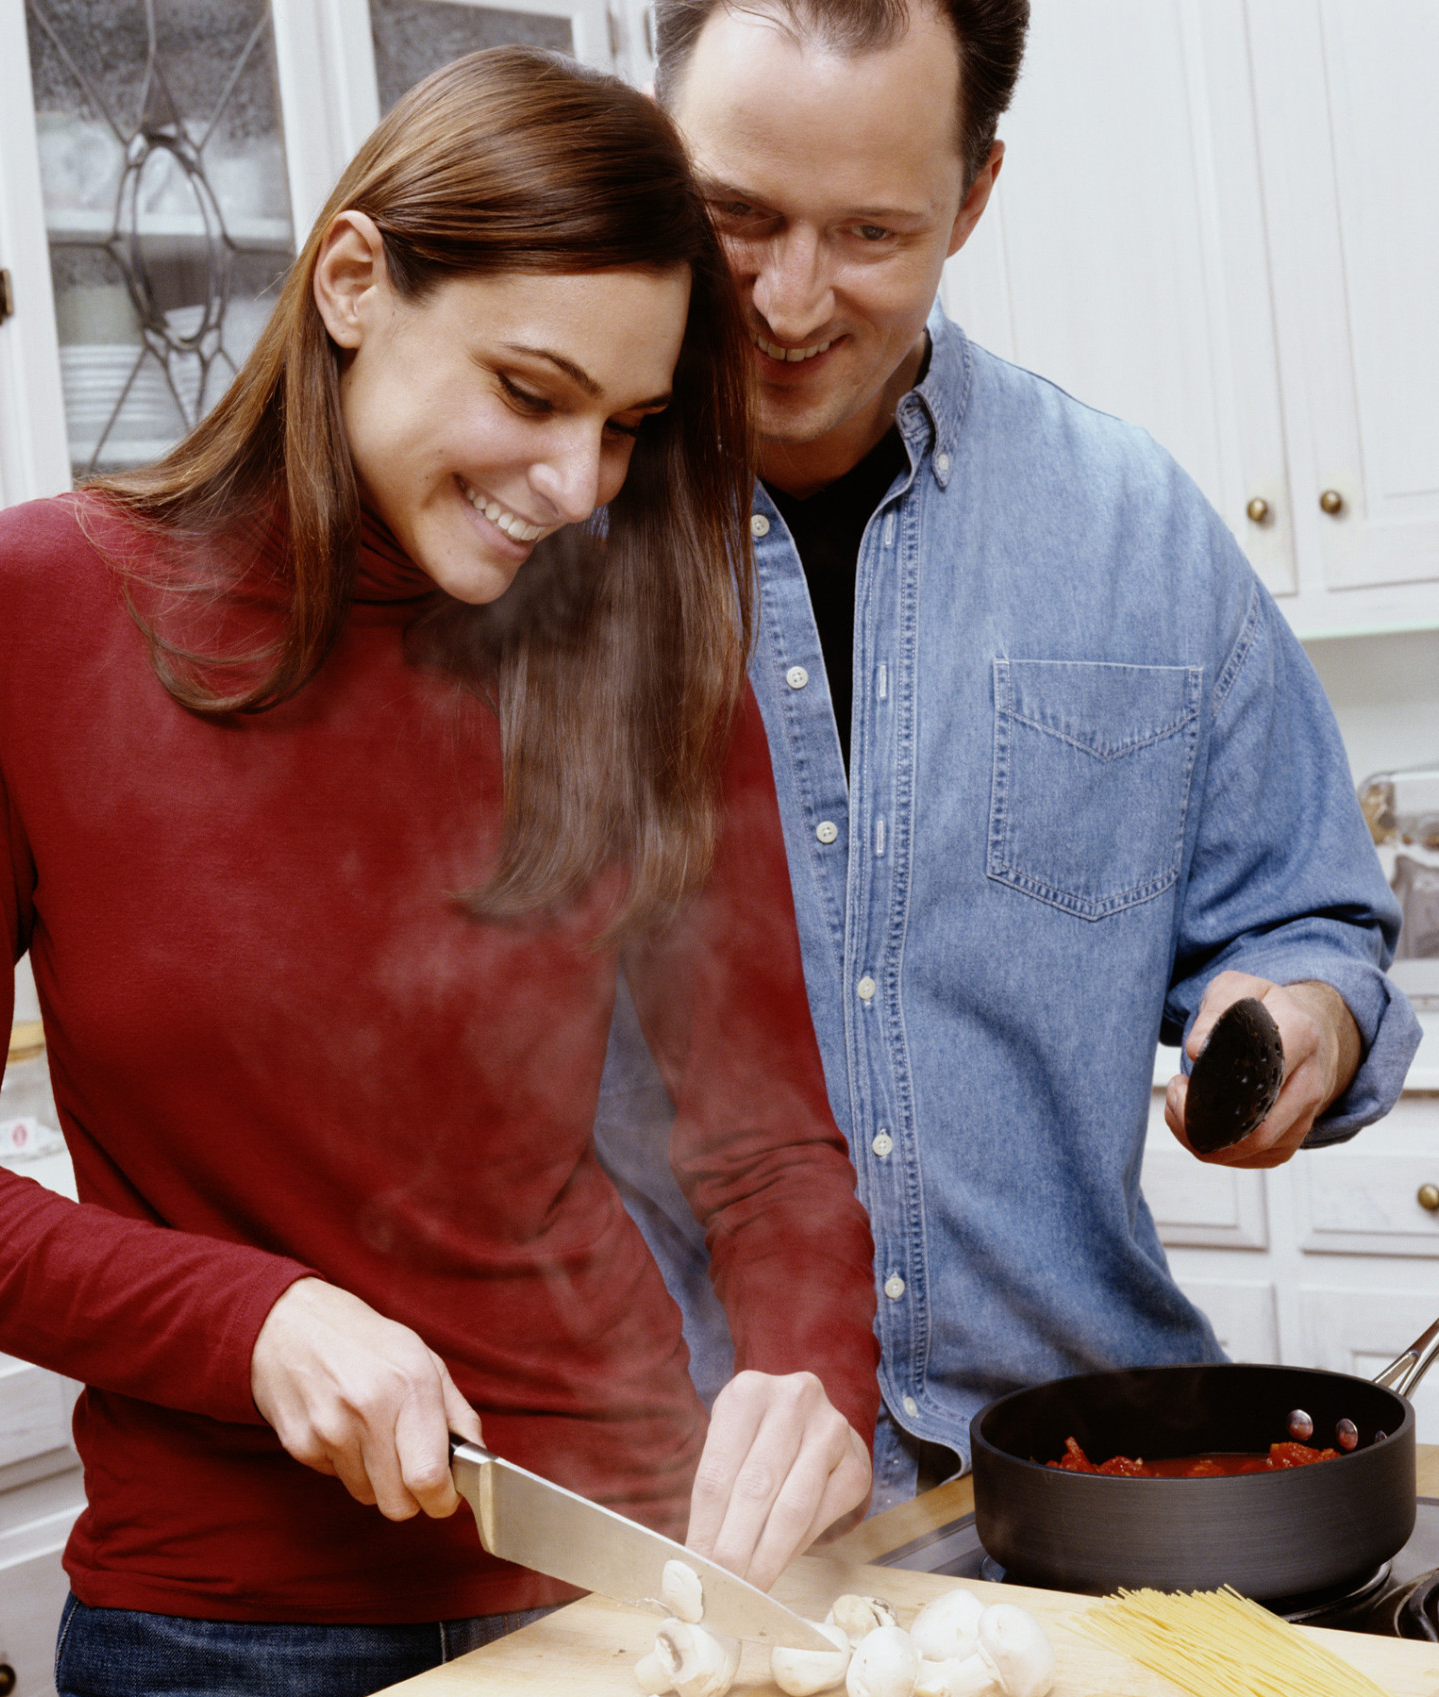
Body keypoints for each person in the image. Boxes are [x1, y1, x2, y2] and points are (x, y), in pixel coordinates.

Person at [0, 48, 880, 1697]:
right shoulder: (10, 619)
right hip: (214, 1655)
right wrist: (250, 1312)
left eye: (626, 424)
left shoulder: (643, 649)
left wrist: (812, 1370)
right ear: (352, 281)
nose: (581, 484)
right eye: (531, 390)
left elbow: (763, 1148)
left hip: (612, 1604)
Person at [594, 0, 1419, 1506]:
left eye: (868, 234)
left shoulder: (1133, 528)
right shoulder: (535, 530)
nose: (785, 300)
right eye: (739, 217)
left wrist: (1294, 1022)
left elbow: (1314, 921)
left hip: (1087, 1488)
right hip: (680, 1519)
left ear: (975, 194)